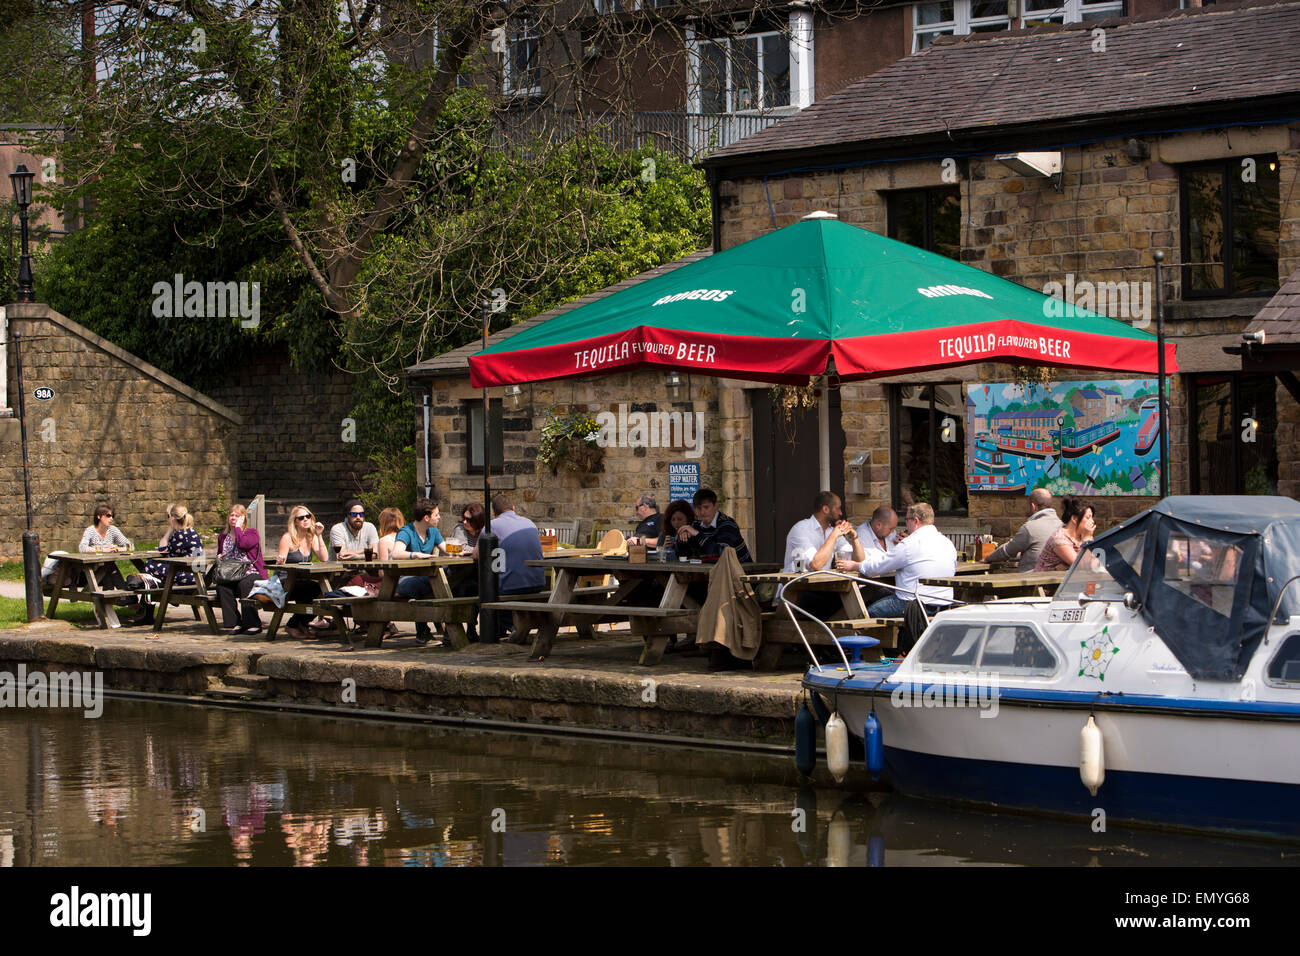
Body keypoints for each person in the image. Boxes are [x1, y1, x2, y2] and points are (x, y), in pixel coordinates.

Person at [856, 502, 958, 619]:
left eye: (907, 520)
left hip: (913, 603)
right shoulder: (947, 543)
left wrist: (856, 566)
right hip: (945, 604)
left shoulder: (910, 544)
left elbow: (877, 568)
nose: (906, 524)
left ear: (915, 521)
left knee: (864, 615)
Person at [130, 504, 204, 626]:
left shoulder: (180, 535)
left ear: (173, 518)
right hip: (197, 573)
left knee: (149, 567)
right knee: (152, 575)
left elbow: (163, 550)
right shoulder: (192, 532)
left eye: (169, 517)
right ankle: (147, 610)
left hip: (188, 576)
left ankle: (145, 610)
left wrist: (170, 530)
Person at [490, 493, 546, 643]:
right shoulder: (529, 523)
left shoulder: (492, 526)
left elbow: (477, 555)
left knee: (483, 592)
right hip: (538, 584)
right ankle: (511, 627)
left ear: (494, 512)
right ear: (513, 508)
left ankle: (509, 627)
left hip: (511, 587)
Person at [394, 499, 447, 643]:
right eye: (436, 514)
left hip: (426, 579)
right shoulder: (407, 531)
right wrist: (415, 554)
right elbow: (396, 553)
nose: (439, 517)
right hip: (405, 580)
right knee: (424, 585)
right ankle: (423, 631)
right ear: (426, 517)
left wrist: (461, 551)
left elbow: (447, 548)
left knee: (449, 582)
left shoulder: (433, 532)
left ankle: (435, 631)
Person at [277, 505, 329, 640]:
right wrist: (280, 560)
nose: (305, 519)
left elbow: (324, 558)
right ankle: (294, 625)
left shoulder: (311, 537)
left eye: (308, 516)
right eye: (301, 518)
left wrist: (319, 535)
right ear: (295, 521)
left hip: (302, 581)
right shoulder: (287, 538)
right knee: (316, 589)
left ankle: (301, 624)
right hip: (286, 581)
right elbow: (280, 563)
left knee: (322, 591)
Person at [214, 504, 267, 634]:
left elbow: (243, 545)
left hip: (251, 572)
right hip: (232, 574)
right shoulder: (223, 537)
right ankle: (235, 623)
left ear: (243, 518)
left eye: (237, 516)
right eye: (231, 515)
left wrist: (238, 528)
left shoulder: (252, 533)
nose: (233, 518)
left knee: (245, 584)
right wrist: (219, 556)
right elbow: (220, 553)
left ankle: (253, 623)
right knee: (222, 587)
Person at [984, 489, 1062, 572]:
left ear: (1033, 506)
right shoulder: (1062, 525)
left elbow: (1007, 551)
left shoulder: (1030, 528)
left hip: (1031, 578)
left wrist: (987, 558)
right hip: (1056, 578)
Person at [676, 488, 753, 563]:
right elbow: (682, 555)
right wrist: (682, 539)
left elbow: (723, 554)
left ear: (716, 506)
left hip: (741, 572)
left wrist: (697, 534)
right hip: (712, 573)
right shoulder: (696, 525)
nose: (702, 512)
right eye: (699, 508)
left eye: (706, 507)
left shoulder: (727, 524)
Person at [77, 504, 134, 593]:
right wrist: (104, 550)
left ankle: (112, 603)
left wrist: (117, 549)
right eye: (108, 516)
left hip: (107, 566)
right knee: (109, 568)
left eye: (112, 516)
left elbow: (129, 545)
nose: (111, 518)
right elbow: (82, 548)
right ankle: (130, 599)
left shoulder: (112, 530)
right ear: (99, 516)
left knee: (108, 569)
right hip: (92, 568)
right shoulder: (90, 530)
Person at [1035, 498, 1097, 572]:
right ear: (1074, 519)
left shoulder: (1082, 537)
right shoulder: (1059, 539)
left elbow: (1096, 563)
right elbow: (1082, 565)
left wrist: (1066, 566)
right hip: (1047, 582)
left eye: (1092, 517)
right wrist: (1087, 540)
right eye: (1088, 517)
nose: (1092, 521)